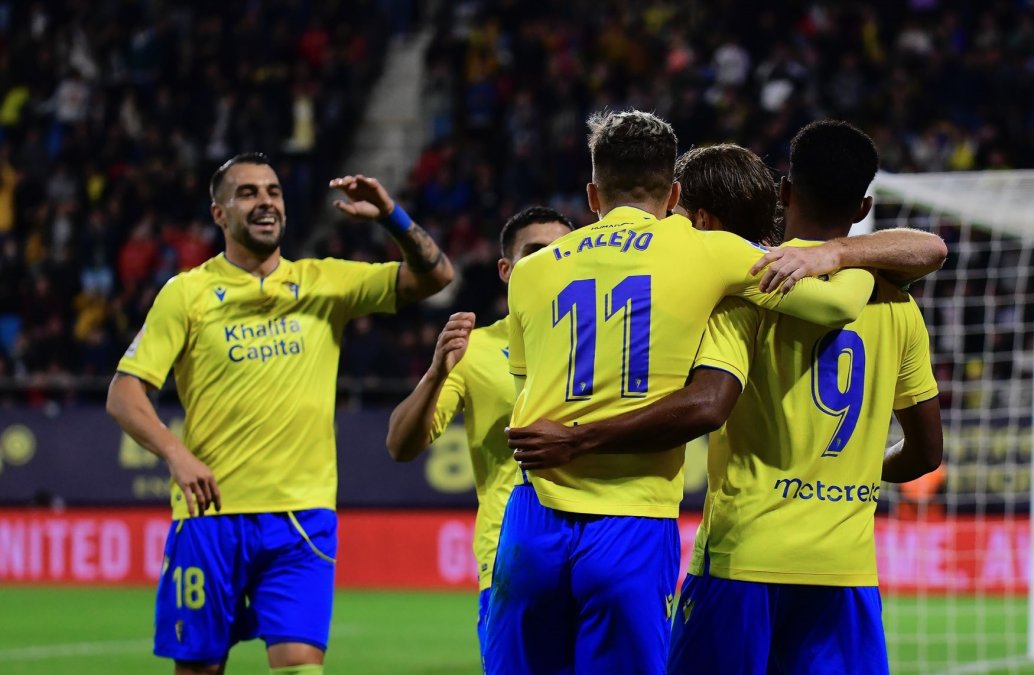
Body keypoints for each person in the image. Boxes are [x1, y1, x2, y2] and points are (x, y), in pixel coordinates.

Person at [485, 109, 925, 674]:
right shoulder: (715, 255)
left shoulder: (531, 271)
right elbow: (841, 304)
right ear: (671, 193)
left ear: (593, 195)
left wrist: (571, 436)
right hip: (639, 516)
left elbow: (526, 396)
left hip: (539, 515)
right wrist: (848, 253)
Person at [105, 153, 454, 675]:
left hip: (302, 518)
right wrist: (176, 454)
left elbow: (436, 275)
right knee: (198, 669)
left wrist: (391, 216)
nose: (265, 201)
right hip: (211, 517)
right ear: (219, 214)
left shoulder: (325, 282)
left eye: (273, 191)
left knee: (300, 667)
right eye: (247, 193)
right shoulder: (187, 293)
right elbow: (124, 392)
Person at [383, 205, 574, 658]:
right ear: (506, 271)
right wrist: (436, 372)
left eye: (563, 252)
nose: (550, 262)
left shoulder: (609, 343)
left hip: (602, 547)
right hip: (512, 556)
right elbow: (400, 444)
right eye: (535, 252)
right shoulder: (476, 350)